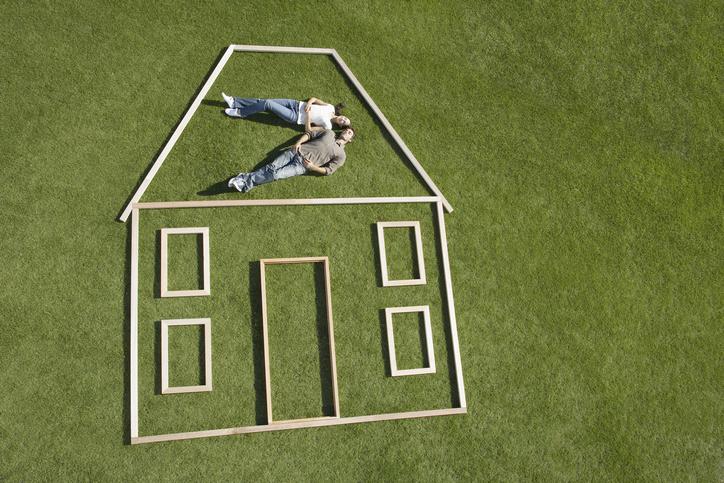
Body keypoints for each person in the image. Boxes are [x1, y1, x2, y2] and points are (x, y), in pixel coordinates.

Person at [228, 126, 355, 193]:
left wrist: (312, 168)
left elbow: (329, 170)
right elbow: (309, 134)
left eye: (350, 133)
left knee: (276, 174)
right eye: (346, 130)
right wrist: (298, 143)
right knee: (271, 167)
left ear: (349, 140)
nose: (347, 132)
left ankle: (244, 180)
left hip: (302, 166)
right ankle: (245, 183)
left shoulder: (342, 155)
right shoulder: (329, 133)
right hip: (295, 151)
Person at [221, 94, 350, 130]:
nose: (343, 119)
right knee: (264, 101)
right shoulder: (331, 108)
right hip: (296, 104)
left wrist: (309, 116)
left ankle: (240, 112)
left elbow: (309, 129)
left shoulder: (328, 127)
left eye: (344, 122)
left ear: (340, 125)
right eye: (345, 118)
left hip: (295, 117)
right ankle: (234, 102)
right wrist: (310, 103)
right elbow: (315, 99)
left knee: (267, 104)